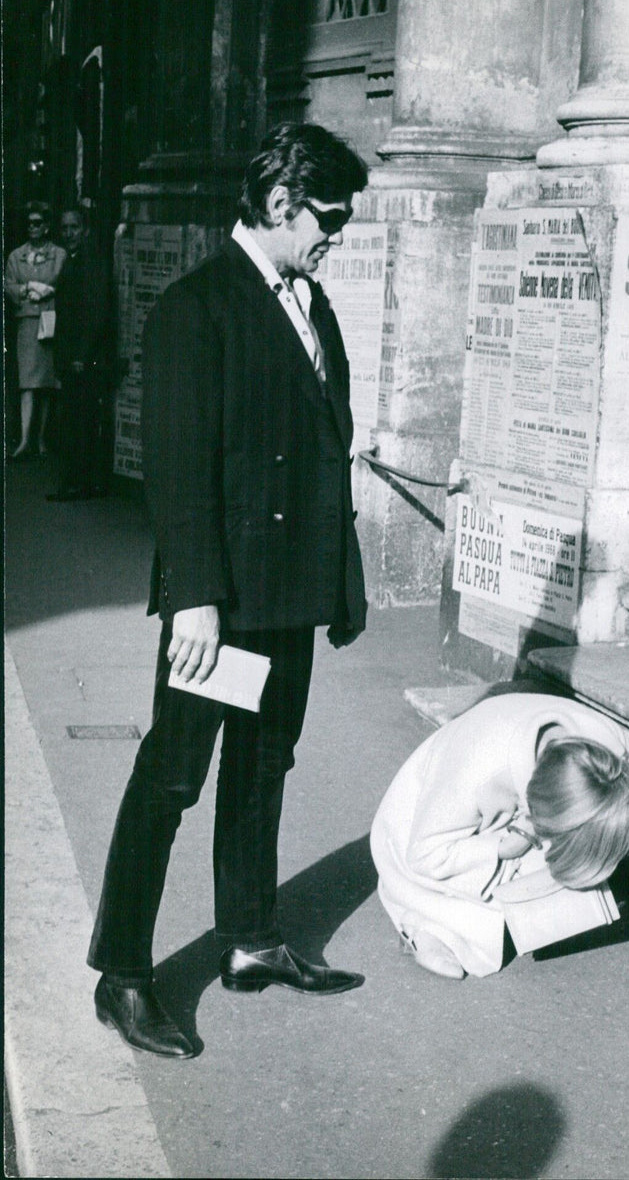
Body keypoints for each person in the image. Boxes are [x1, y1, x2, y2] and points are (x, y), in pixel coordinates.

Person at [88, 123, 370, 1058]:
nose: (341, 232)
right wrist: (194, 600)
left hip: (287, 595)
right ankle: (123, 971)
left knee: (264, 767)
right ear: (283, 204)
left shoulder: (312, 304)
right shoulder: (196, 308)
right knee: (174, 776)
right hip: (227, 604)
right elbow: (178, 473)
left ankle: (250, 938)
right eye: (331, 215)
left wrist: (342, 582)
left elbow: (328, 451)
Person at [371, 692, 629, 979]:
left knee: (557, 881)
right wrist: (503, 846)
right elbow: (426, 854)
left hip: (519, 814)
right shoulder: (475, 768)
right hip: (422, 825)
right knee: (471, 903)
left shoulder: (605, 745)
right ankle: (424, 923)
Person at [48, 208, 112, 501]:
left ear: (85, 229)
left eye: (74, 227)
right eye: (64, 228)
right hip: (72, 355)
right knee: (73, 420)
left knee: (81, 421)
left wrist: (82, 355)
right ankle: (76, 480)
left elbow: (96, 312)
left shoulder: (90, 261)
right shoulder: (73, 260)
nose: (69, 233)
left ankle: (80, 482)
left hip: (83, 358)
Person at [4, 201, 66, 458]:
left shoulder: (58, 254)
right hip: (27, 321)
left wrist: (32, 287)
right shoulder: (16, 255)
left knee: (47, 382)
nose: (33, 228)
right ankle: (25, 440)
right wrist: (28, 288)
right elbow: (9, 284)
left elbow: (56, 277)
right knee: (27, 383)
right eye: (30, 223)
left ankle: (40, 438)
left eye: (38, 223)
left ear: (47, 226)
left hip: (49, 319)